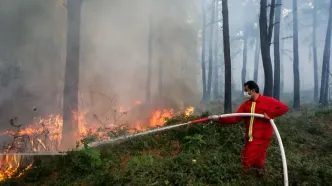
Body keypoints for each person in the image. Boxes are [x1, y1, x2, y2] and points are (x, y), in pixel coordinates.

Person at [217, 81, 288, 177]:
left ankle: (243, 178)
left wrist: (270, 114)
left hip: (262, 137)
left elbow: (284, 108)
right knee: (258, 160)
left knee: (247, 158)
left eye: (246, 90)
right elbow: (235, 117)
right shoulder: (246, 105)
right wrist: (219, 119)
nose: (245, 93)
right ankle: (259, 177)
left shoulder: (268, 101)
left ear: (253, 90)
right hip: (250, 137)